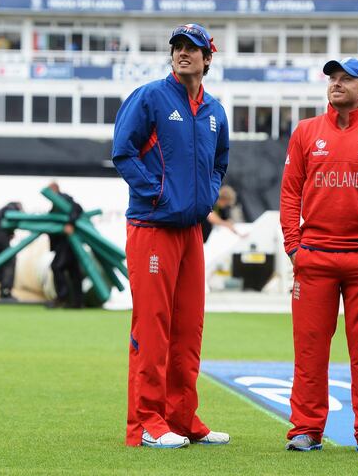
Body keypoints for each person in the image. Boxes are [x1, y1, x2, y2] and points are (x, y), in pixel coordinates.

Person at [112, 23, 230, 449]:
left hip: (190, 232)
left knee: (188, 329)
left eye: (192, 48)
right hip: (152, 227)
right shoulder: (150, 97)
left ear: (207, 58)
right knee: (154, 326)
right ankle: (145, 422)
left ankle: (181, 418)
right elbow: (122, 151)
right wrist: (158, 194)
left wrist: (208, 197)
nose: (183, 53)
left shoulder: (215, 110)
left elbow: (220, 163)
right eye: (177, 47)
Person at [280, 58, 358, 454]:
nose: (336, 84)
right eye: (332, 78)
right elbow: (289, 193)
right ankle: (305, 428)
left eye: (346, 78)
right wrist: (294, 246)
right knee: (310, 349)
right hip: (313, 258)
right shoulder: (305, 131)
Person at [46, 183, 85, 309]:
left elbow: (77, 208)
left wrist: (70, 223)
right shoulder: (57, 204)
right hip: (68, 242)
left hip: (67, 242)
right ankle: (77, 302)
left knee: (57, 266)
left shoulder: (63, 198)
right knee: (74, 271)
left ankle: (62, 297)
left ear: (54, 190)